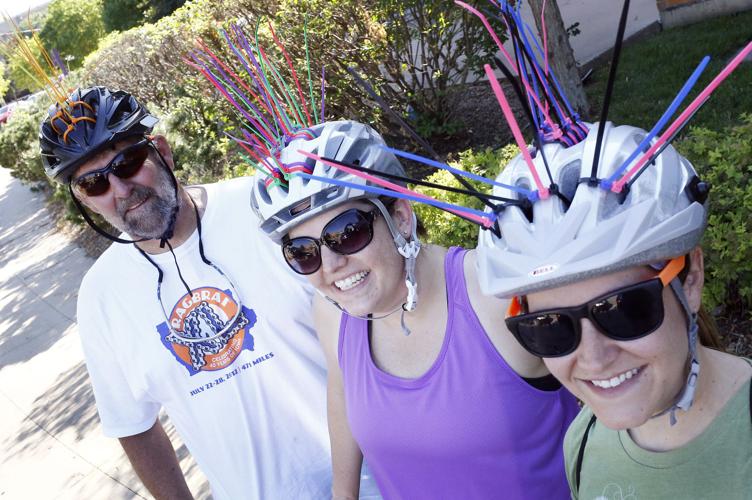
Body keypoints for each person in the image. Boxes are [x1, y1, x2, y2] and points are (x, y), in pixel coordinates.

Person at [249, 119, 580, 499]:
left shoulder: (494, 294)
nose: (331, 265)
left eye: (347, 233)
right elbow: (342, 397)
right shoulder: (334, 317)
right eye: (303, 252)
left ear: (401, 217)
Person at [39, 86, 336, 499]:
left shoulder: (265, 209)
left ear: (161, 150)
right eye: (94, 183)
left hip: (375, 480)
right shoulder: (100, 297)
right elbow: (134, 426)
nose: (120, 189)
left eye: (128, 163)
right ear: (85, 201)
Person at [476, 121, 752, 498]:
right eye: (550, 325)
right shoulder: (583, 441)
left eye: (621, 309)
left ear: (691, 279)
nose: (593, 358)